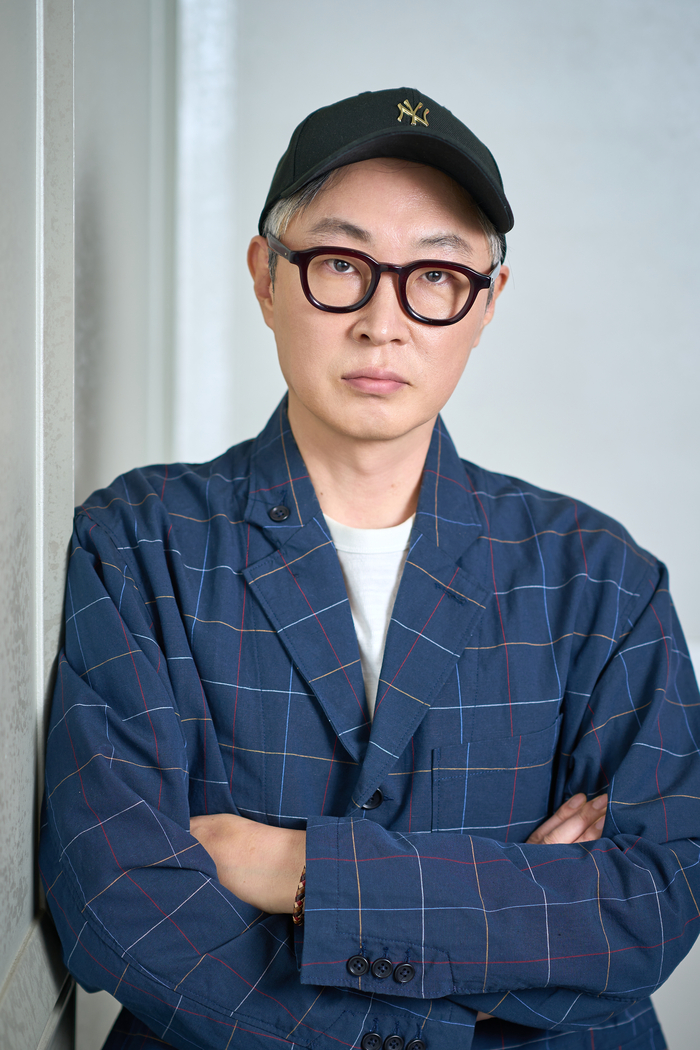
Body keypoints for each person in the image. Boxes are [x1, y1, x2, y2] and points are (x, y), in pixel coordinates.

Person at [39, 88, 700, 1050]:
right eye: (342, 265)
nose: (383, 323)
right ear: (266, 277)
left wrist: (297, 871)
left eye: (435, 275)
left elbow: (652, 903)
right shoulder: (140, 544)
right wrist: (481, 959)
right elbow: (116, 900)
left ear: (486, 304)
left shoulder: (600, 579)